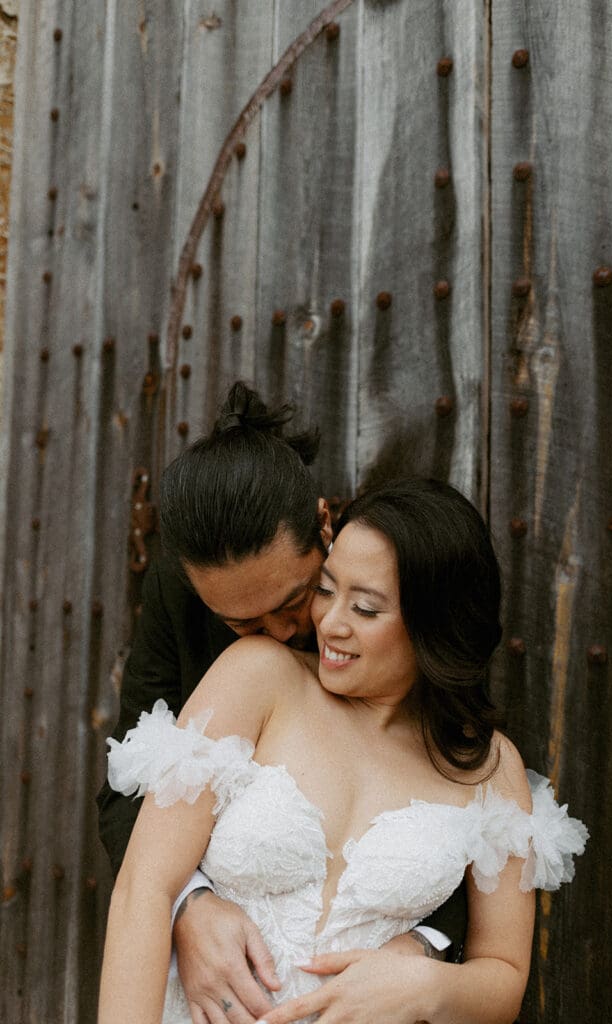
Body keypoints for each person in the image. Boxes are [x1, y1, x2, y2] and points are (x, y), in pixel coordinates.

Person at [98, 477, 588, 1024]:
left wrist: (424, 984)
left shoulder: (491, 771)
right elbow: (143, 888)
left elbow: (503, 974)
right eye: (327, 591)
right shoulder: (256, 676)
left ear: (434, 625)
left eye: (367, 608)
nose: (329, 623)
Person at [97, 382, 458, 1023]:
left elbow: (465, 781)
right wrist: (189, 905)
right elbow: (125, 789)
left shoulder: (387, 580)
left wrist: (423, 950)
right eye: (241, 622)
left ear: (325, 524)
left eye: (296, 601)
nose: (284, 634)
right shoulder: (182, 593)